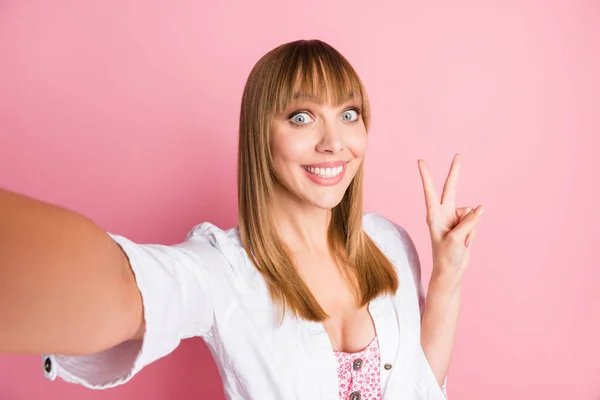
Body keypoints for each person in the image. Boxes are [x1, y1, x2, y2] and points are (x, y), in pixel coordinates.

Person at [0, 39, 484, 399]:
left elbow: (422, 387)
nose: (334, 142)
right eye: (301, 116)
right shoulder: (225, 270)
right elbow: (133, 287)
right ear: (260, 134)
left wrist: (448, 275)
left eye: (349, 114)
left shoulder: (388, 243)